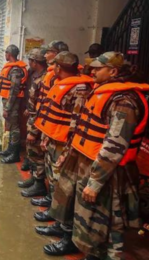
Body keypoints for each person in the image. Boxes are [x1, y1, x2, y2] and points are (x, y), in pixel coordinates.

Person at [66, 52, 148, 260]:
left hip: (112, 173)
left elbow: (114, 145)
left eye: (97, 68)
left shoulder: (124, 102)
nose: (92, 71)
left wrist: (94, 182)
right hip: (97, 167)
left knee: (111, 222)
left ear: (113, 71)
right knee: (95, 220)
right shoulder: (104, 94)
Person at [32, 51, 94, 256]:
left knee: (65, 191)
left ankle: (67, 236)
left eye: (54, 65)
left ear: (59, 67)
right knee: (57, 186)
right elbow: (54, 115)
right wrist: (47, 136)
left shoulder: (80, 90)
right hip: (55, 141)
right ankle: (58, 222)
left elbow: (76, 125)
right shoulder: (60, 85)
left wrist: (66, 152)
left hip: (66, 148)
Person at [30, 40, 69, 209]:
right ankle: (42, 189)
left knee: (57, 172)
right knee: (45, 163)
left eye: (49, 52)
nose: (46, 55)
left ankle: (55, 207)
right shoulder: (50, 75)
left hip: (58, 133)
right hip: (46, 126)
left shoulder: (66, 83)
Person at [18, 48, 48, 192]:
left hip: (37, 123)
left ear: (36, 62)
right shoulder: (35, 75)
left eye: (31, 60)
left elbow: (42, 107)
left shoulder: (45, 79)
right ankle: (34, 177)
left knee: (37, 153)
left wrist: (34, 130)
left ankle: (39, 184)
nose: (29, 63)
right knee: (31, 152)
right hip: (32, 118)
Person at [0, 45, 28, 164]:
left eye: (6, 53)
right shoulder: (12, 67)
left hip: (12, 102)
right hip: (9, 101)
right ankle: (9, 149)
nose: (5, 55)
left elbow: (14, 90)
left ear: (9, 54)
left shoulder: (15, 70)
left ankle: (15, 154)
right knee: (10, 124)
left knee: (14, 127)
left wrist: (7, 108)